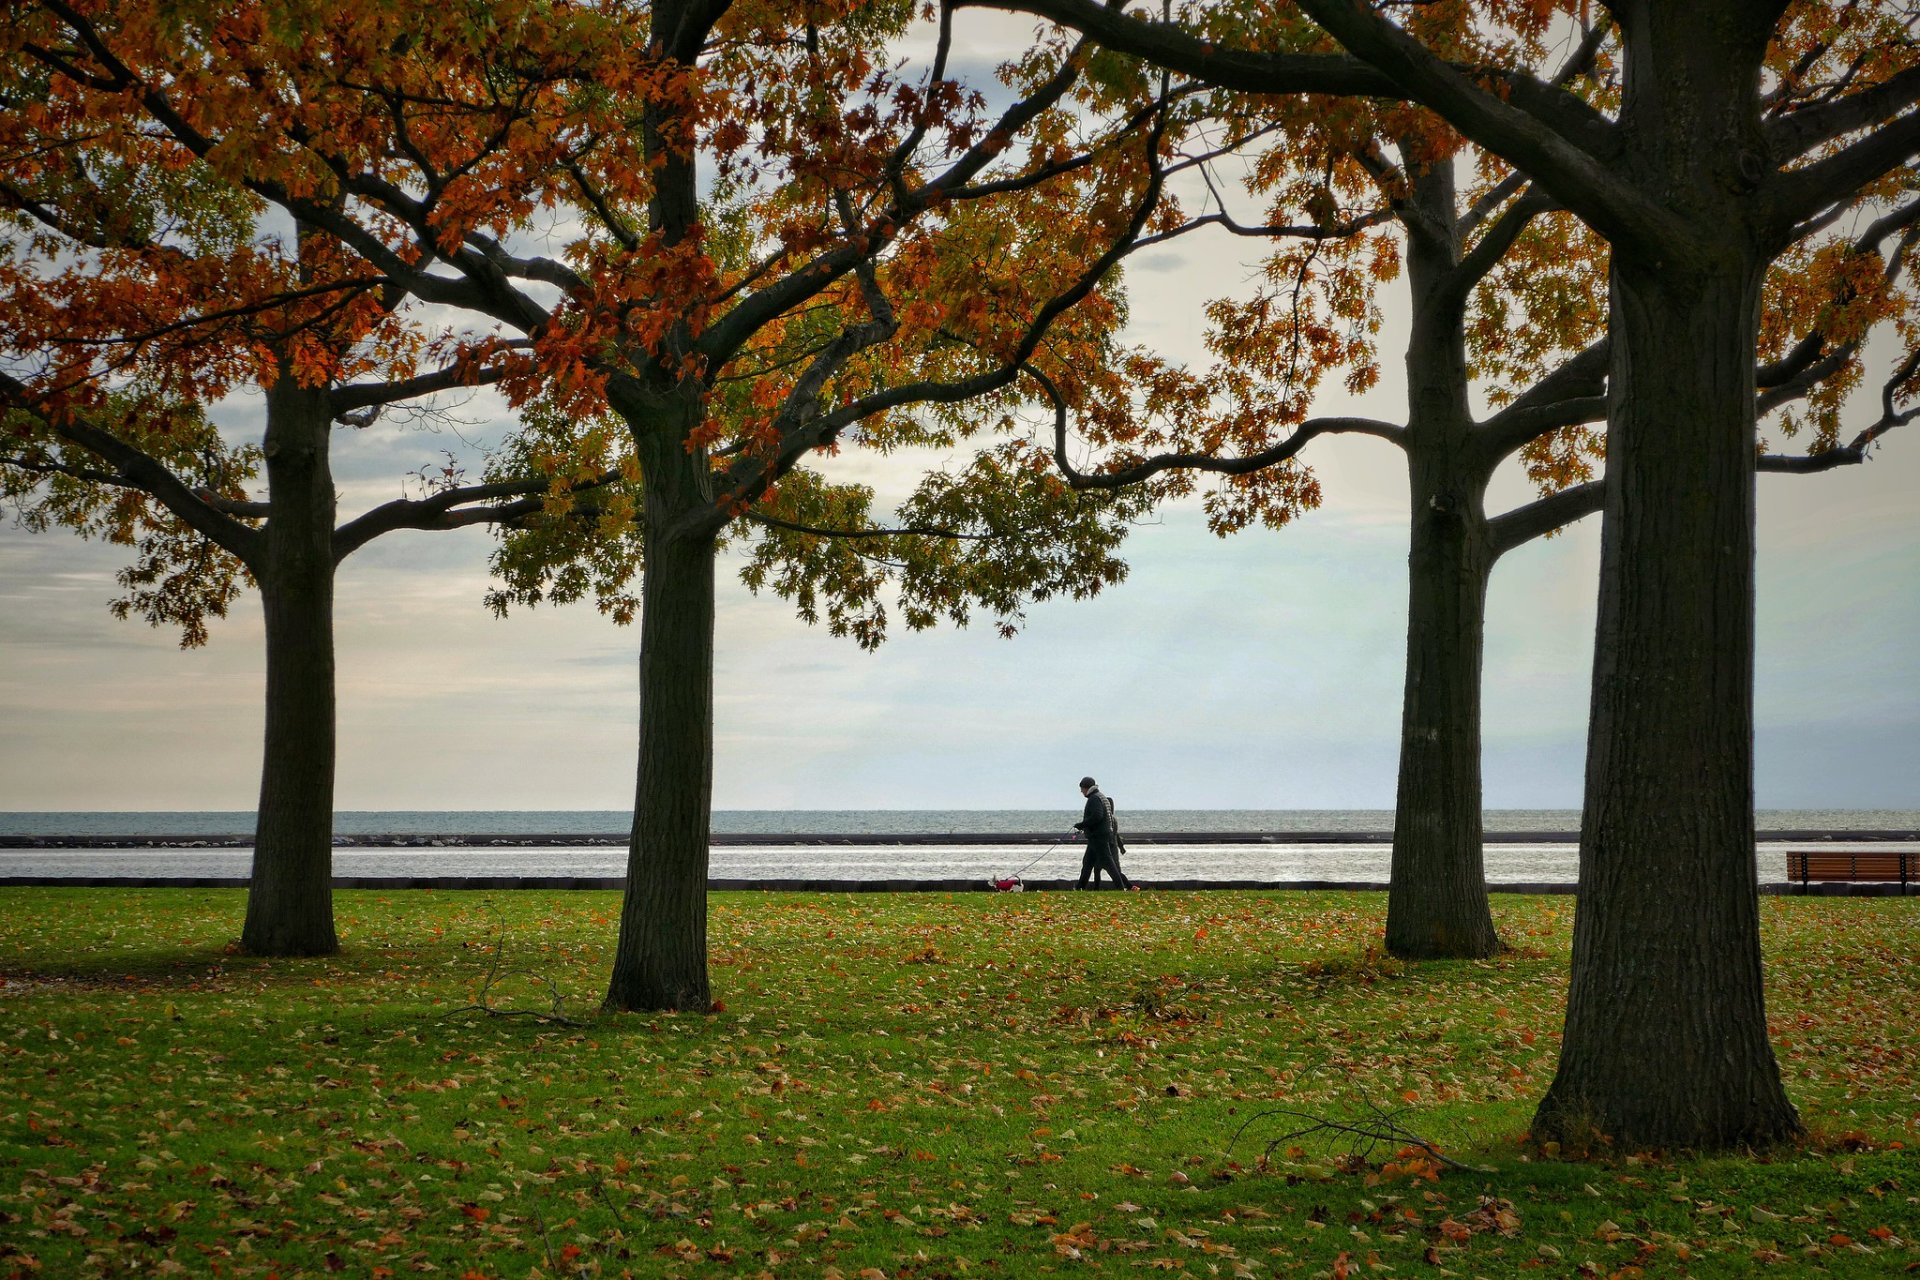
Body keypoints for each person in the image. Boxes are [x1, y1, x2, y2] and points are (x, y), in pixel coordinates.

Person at [1072, 776, 1132, 890]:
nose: (1081, 792)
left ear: (1086, 788)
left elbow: (1097, 816)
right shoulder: (1101, 796)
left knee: (1109, 864)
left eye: (1082, 789)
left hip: (1098, 837)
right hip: (1098, 837)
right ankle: (1080, 887)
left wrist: (1082, 824)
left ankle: (1121, 887)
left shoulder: (1094, 799)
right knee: (1087, 863)